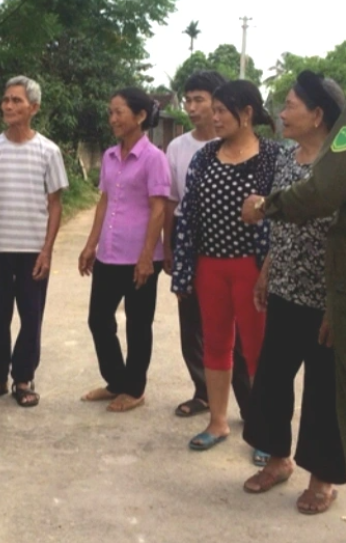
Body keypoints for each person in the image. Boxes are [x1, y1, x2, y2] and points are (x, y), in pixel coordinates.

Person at [241, 72, 346, 514]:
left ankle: (322, 480)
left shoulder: (337, 163)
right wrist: (267, 271)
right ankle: (277, 459)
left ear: (318, 114)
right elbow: (283, 226)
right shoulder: (286, 157)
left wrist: (337, 305)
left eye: (289, 105)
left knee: (323, 392)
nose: (281, 113)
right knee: (271, 380)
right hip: (285, 288)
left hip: (325, 299)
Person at [172, 80, 280, 452]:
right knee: (216, 345)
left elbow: (284, 218)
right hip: (210, 266)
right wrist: (185, 267)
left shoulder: (273, 156)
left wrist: (270, 268)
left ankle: (265, 433)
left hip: (253, 268)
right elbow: (188, 215)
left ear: (247, 113)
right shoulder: (205, 157)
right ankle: (218, 422)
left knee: (258, 351)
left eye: (221, 111)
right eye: (212, 110)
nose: (213, 118)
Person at [0, 75, 68, 408]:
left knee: (31, 316)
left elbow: (55, 203)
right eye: (6, 99)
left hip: (32, 252)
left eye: (16, 100)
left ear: (34, 107)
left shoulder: (48, 151)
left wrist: (47, 250)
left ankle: (23, 378)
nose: (8, 106)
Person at [163, 70, 252, 421]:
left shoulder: (246, 149)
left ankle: (249, 405)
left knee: (241, 331)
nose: (193, 108)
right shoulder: (179, 147)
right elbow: (172, 201)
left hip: (233, 244)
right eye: (188, 100)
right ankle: (204, 393)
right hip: (190, 239)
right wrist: (169, 248)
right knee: (193, 323)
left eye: (200, 100)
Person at [78, 87, 170, 412]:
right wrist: (91, 244)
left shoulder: (154, 159)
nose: (112, 118)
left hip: (140, 258)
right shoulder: (108, 156)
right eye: (111, 112)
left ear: (140, 116)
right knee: (99, 320)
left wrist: (147, 256)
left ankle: (134, 388)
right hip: (109, 255)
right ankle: (116, 380)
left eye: (119, 112)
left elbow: (158, 209)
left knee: (137, 324)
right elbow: (104, 201)